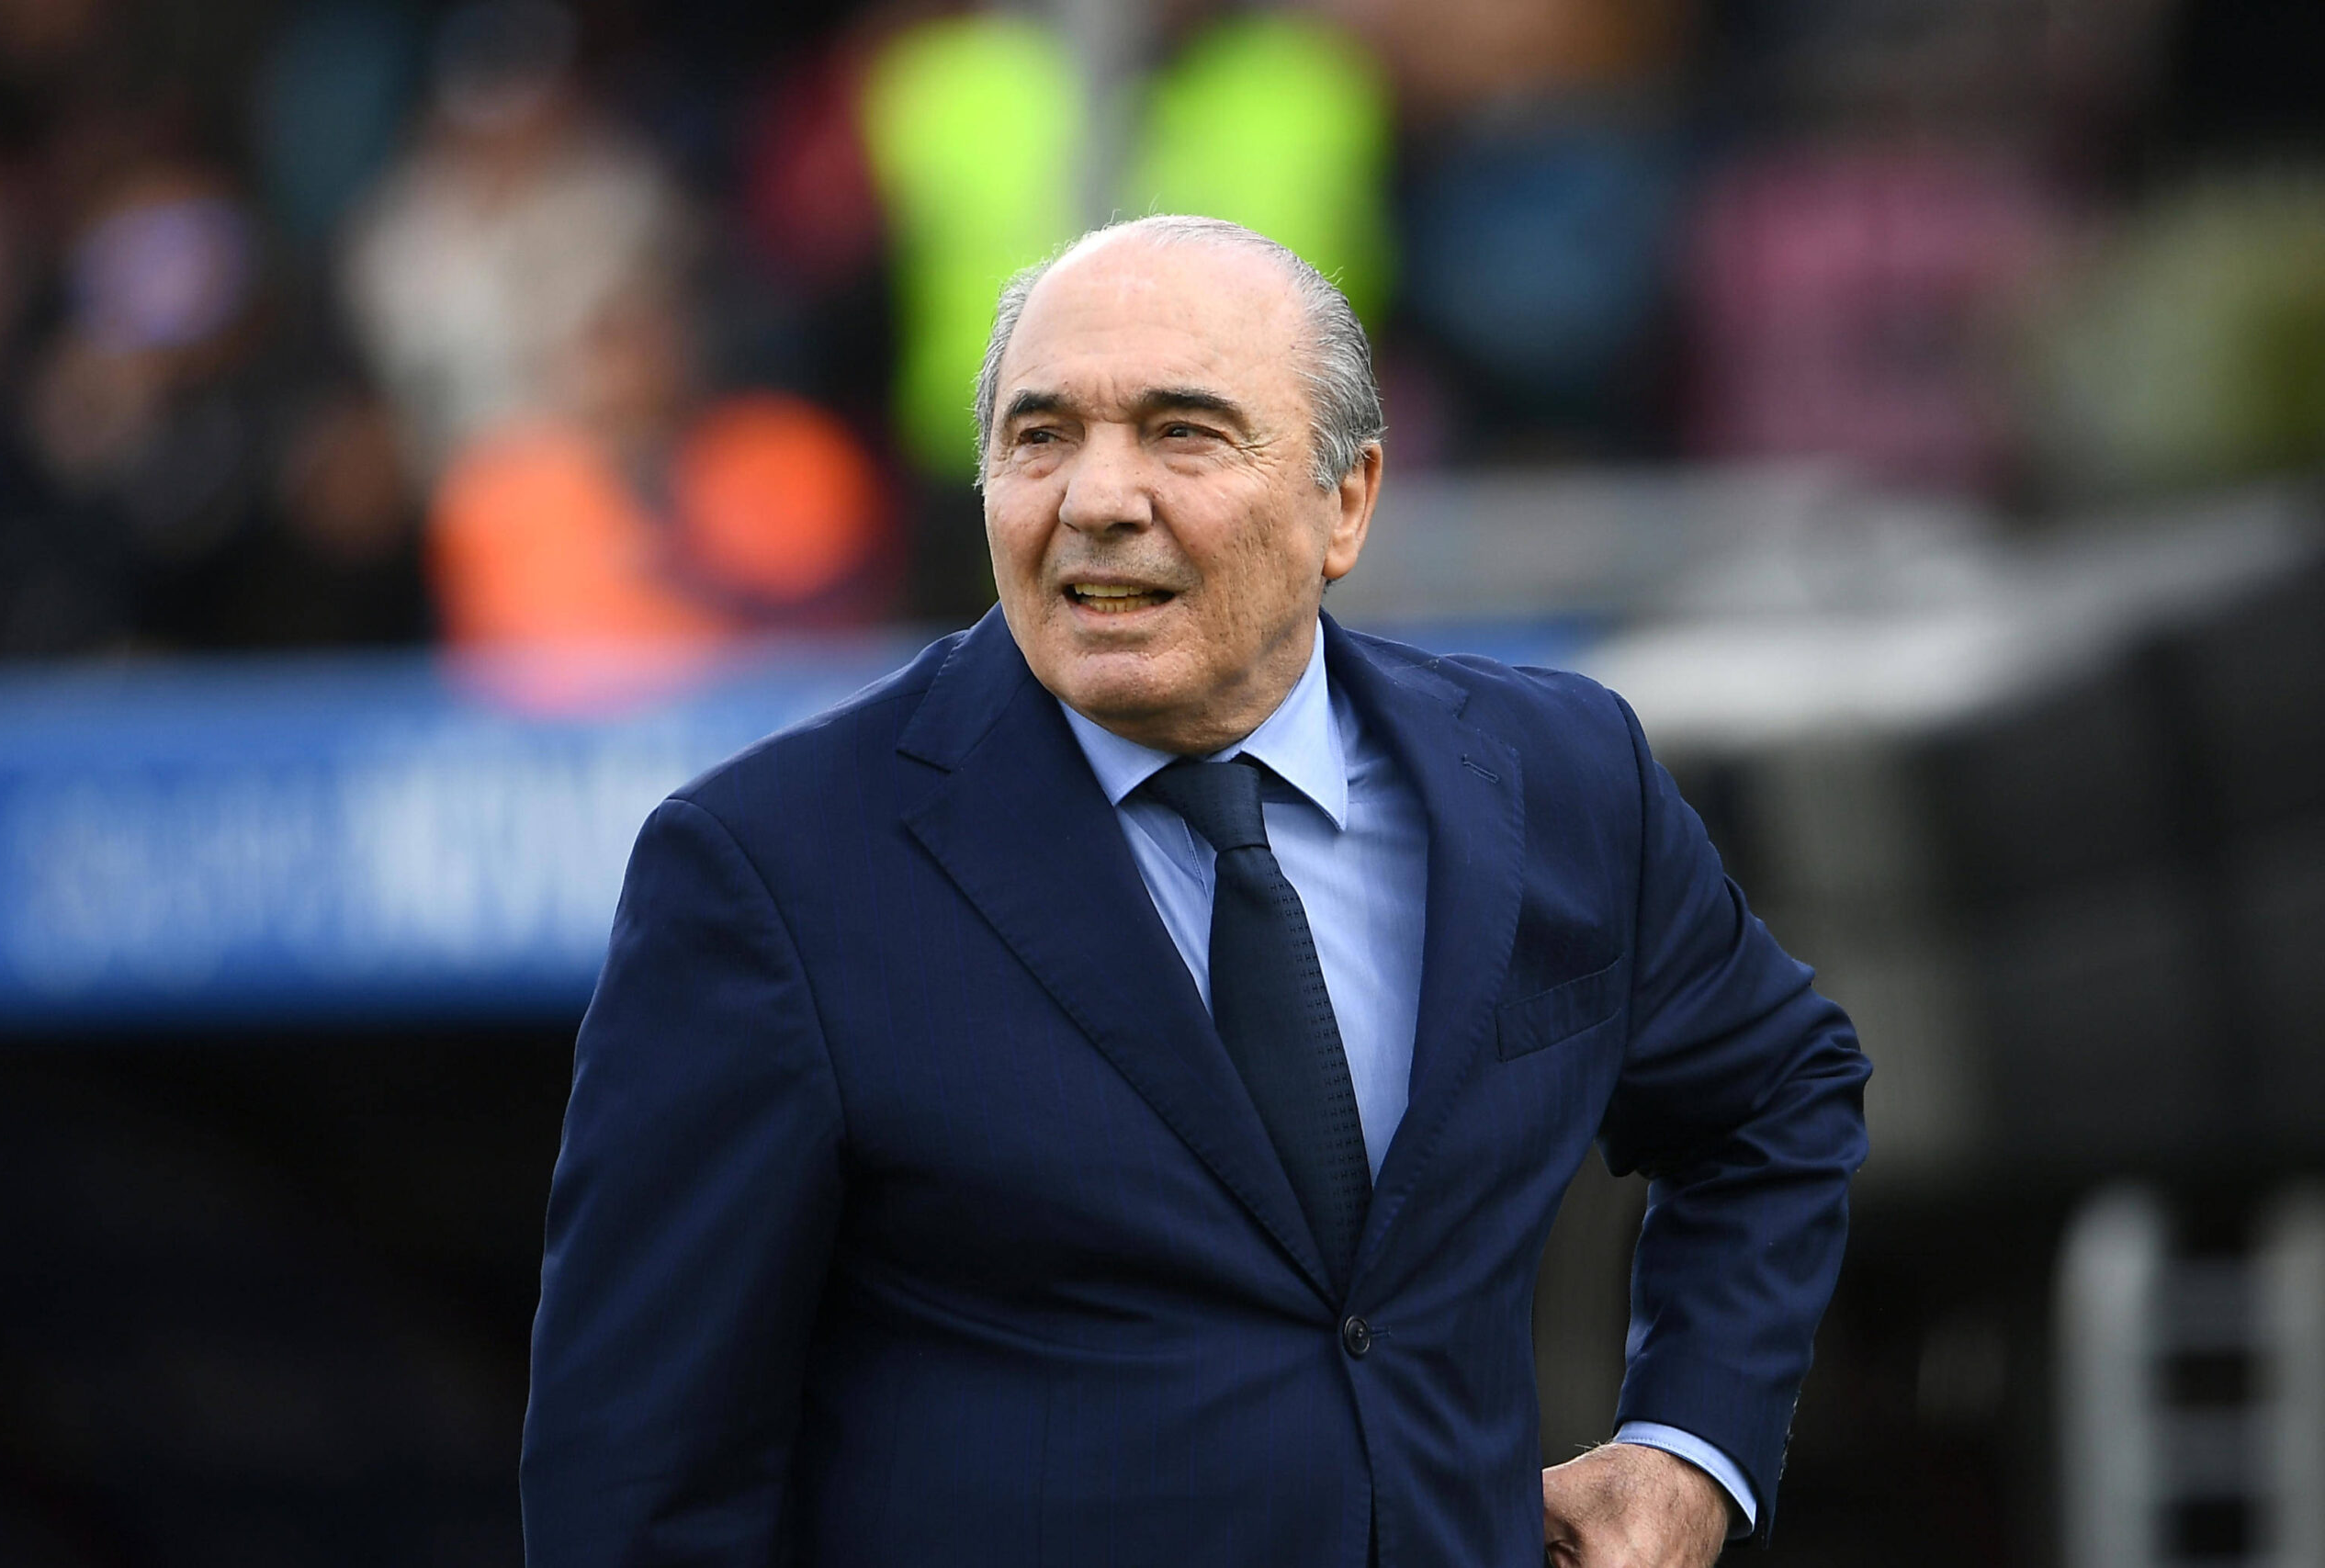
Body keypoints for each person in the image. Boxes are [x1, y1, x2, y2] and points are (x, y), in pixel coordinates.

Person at [521, 215, 1870, 1567]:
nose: (1097, 498)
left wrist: (1686, 1453)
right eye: (1041, 437)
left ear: (1347, 502)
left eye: (1183, 432)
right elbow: (636, 1481)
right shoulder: (769, 869)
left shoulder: (1562, 775)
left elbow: (1776, 1094)